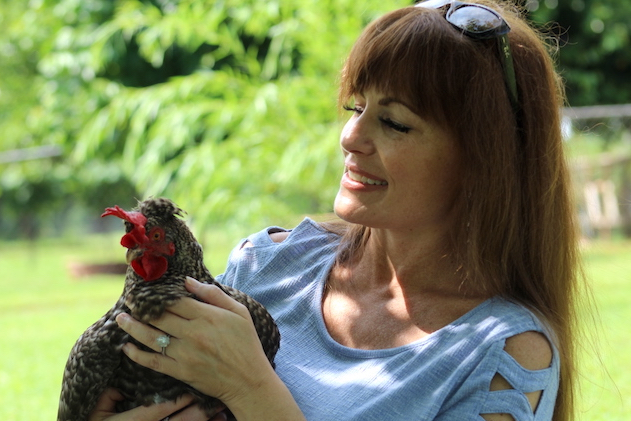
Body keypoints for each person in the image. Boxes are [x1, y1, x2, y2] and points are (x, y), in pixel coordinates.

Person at [89, 0, 586, 420]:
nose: (351, 137)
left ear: (483, 160)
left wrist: (253, 392)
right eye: (356, 107)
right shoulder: (267, 265)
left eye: (394, 122)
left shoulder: (499, 355)